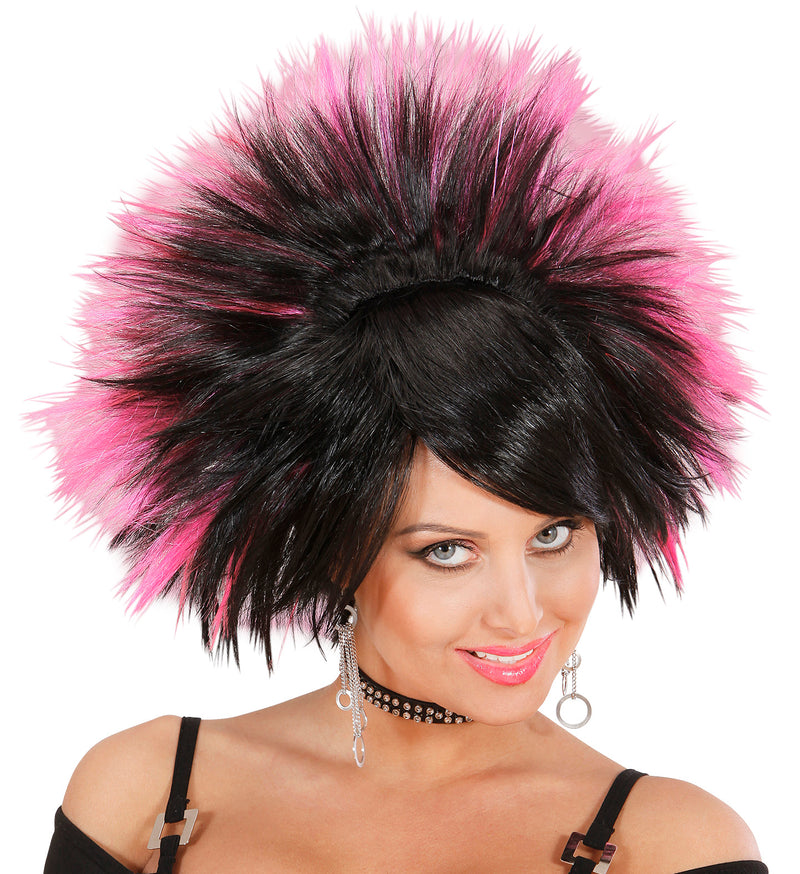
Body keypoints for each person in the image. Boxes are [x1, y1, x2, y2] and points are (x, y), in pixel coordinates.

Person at [39, 20, 766, 873]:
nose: (522, 614)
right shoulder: (151, 791)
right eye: (447, 551)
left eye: (553, 534)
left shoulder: (673, 844)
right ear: (335, 545)